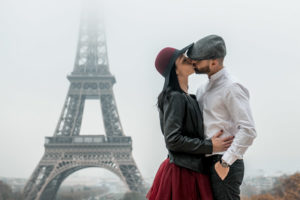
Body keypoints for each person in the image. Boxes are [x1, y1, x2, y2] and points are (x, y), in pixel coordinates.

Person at [146, 44, 234, 200]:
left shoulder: (187, 97)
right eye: (183, 59)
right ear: (175, 70)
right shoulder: (175, 97)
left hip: (189, 170)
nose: (190, 60)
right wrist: (210, 146)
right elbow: (173, 140)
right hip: (183, 174)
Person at [186, 35, 257, 200]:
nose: (193, 63)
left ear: (214, 62)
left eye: (198, 60)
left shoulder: (231, 87)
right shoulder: (202, 89)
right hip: (206, 161)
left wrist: (225, 162)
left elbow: (249, 130)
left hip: (224, 162)